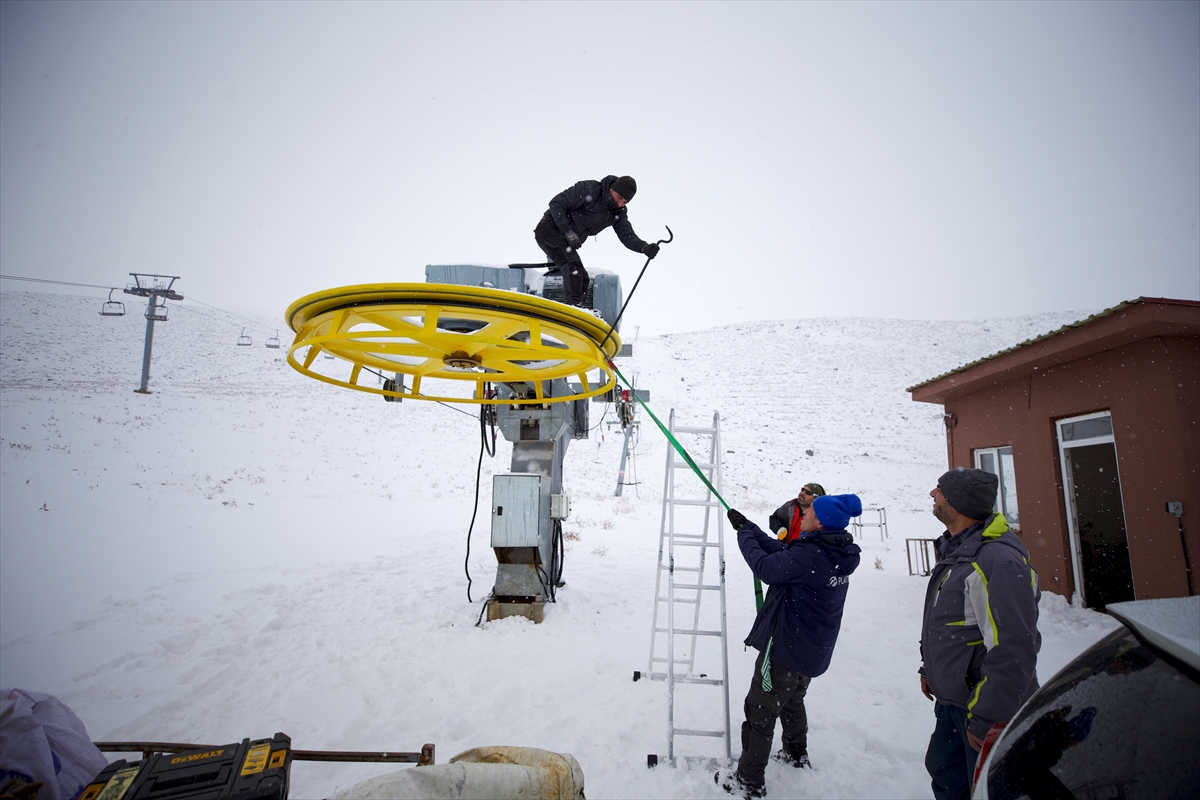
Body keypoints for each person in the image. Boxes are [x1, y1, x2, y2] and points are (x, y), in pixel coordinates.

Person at [717, 495, 863, 798]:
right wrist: (750, 528)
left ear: (820, 521)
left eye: (810, 510)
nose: (804, 511)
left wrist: (744, 536)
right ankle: (797, 754)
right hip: (811, 650)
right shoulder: (832, 550)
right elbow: (783, 552)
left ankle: (749, 780)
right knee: (793, 700)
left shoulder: (811, 556)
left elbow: (766, 567)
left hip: (786, 650)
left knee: (760, 709)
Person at [919, 468, 1041, 800]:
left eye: (940, 490)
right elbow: (947, 622)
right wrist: (930, 669)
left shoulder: (997, 562)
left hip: (982, 709)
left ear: (958, 504)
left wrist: (989, 717)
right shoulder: (959, 549)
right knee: (948, 778)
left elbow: (1014, 648)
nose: (933, 493)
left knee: (987, 789)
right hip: (953, 702)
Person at [533, 175, 659, 307]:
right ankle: (574, 306)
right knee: (572, 266)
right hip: (549, 229)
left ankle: (579, 310)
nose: (620, 203)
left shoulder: (617, 212)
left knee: (583, 278)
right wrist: (567, 231)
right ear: (611, 189)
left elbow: (626, 235)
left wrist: (644, 247)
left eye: (625, 202)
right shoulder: (590, 189)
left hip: (565, 241)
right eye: (619, 198)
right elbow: (556, 203)